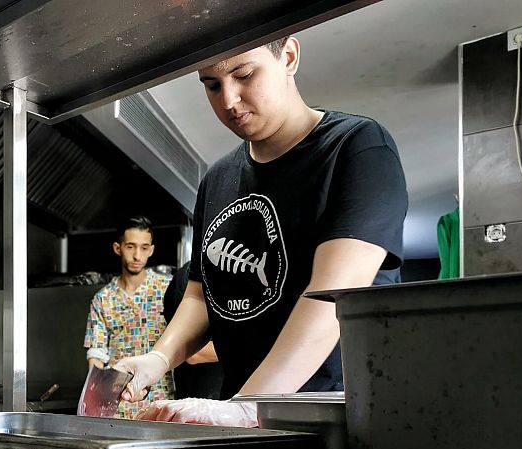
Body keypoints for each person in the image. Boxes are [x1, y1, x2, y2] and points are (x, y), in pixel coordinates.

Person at [115, 35, 408, 425]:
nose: (228, 100)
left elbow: (335, 294)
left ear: (289, 57)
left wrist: (249, 404)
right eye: (212, 85)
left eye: (244, 75)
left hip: (339, 417)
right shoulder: (217, 179)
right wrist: (159, 358)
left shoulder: (356, 147)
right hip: (250, 416)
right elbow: (200, 297)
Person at [83, 216, 174, 418]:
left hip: (160, 403)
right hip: (118, 407)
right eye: (131, 247)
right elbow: (97, 354)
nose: (137, 255)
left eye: (144, 248)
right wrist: (94, 400)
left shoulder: (167, 289)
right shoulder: (103, 298)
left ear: (151, 250)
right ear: (118, 248)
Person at [163, 261, 225, 400]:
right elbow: (192, 352)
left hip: (237, 397)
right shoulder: (189, 276)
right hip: (202, 399)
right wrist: (251, 351)